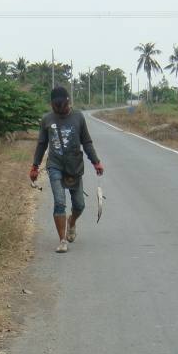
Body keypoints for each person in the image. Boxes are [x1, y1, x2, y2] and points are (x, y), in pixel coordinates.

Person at [29, 86, 104, 253]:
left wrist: (96, 162)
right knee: (60, 202)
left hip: (74, 167)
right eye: (56, 107)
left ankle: (72, 222)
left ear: (68, 102)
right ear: (51, 104)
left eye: (62, 105)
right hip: (55, 165)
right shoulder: (47, 120)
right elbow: (42, 145)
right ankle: (62, 240)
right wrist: (35, 166)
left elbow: (87, 142)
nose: (60, 109)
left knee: (79, 205)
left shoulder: (78, 117)